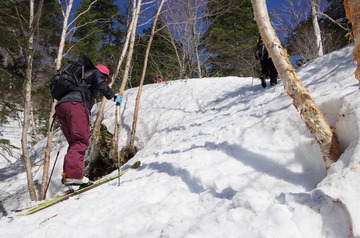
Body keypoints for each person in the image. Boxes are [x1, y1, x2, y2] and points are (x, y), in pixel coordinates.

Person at [55, 63, 122, 186]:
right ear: (104, 74)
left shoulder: (82, 77)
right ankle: (73, 176)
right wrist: (113, 96)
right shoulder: (96, 73)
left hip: (61, 106)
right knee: (81, 140)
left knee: (75, 142)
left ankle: (68, 176)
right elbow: (101, 84)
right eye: (106, 78)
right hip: (75, 104)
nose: (105, 81)